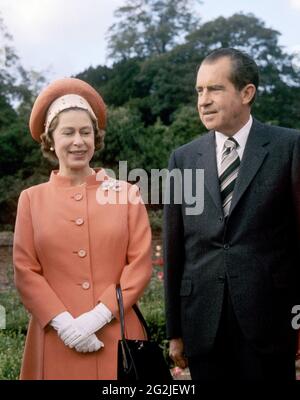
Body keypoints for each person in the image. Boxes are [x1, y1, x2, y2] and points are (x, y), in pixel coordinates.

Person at [163, 48, 300, 380]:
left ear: (247, 92)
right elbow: (174, 248)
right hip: (202, 328)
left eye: (215, 89)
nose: (203, 100)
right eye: (199, 91)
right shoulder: (182, 159)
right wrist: (174, 330)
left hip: (271, 326)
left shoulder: (290, 147)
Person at [13, 78, 152, 380]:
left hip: (118, 334)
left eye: (86, 132)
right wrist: (65, 325)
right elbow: (26, 271)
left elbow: (139, 264)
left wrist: (97, 317)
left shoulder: (126, 193)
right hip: (54, 338)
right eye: (68, 132)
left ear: (96, 137)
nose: (79, 141)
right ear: (50, 140)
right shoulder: (31, 200)